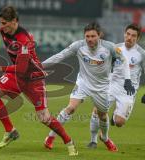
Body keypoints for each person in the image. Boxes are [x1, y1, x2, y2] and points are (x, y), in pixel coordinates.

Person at [0, 6, 78, 156]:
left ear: (14, 21)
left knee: (44, 118)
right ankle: (11, 131)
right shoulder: (4, 32)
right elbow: (18, 66)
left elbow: (22, 68)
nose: (1, 27)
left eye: (4, 23)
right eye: (0, 23)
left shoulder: (24, 40)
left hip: (33, 79)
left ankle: (69, 141)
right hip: (17, 76)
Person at [42, 22, 135, 152]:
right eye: (87, 36)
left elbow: (124, 60)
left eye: (93, 36)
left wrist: (128, 80)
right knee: (70, 108)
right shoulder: (79, 46)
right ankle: (50, 137)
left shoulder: (109, 47)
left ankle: (105, 138)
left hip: (102, 87)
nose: (90, 39)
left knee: (102, 115)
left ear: (99, 35)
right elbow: (60, 55)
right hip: (83, 83)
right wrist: (40, 66)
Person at [87, 23, 145, 149]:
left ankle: (114, 117)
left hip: (128, 90)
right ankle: (93, 140)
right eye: (128, 34)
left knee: (119, 122)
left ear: (138, 38)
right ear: (124, 34)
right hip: (111, 85)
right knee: (97, 110)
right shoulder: (116, 48)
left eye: (133, 36)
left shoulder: (141, 54)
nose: (129, 37)